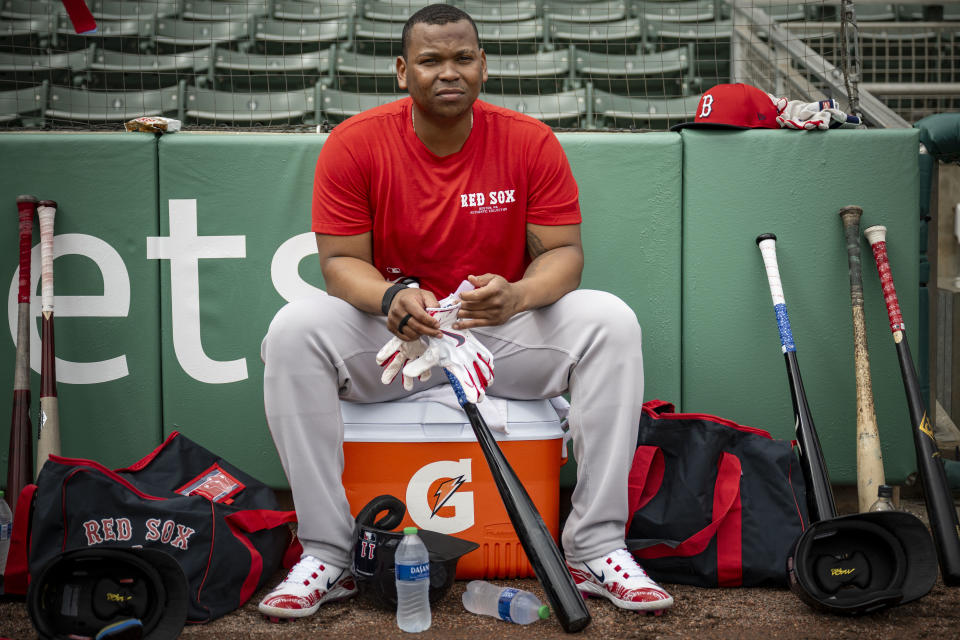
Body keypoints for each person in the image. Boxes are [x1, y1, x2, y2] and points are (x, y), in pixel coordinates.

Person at [257, 3, 673, 620]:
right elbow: (340, 264)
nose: (446, 72)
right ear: (403, 70)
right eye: (430, 60)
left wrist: (518, 294)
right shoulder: (355, 143)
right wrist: (390, 298)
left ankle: (594, 547)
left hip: (494, 334)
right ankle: (329, 552)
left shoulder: (528, 141)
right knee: (291, 331)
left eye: (461, 58)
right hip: (399, 343)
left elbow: (564, 256)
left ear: (483, 65)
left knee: (610, 320)